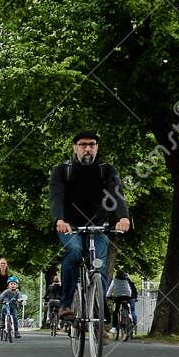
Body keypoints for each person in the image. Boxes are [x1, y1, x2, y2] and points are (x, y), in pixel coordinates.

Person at [50, 130, 131, 319]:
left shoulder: (106, 170)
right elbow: (56, 196)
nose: (88, 149)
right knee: (75, 251)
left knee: (99, 266)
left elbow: (116, 193)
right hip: (69, 226)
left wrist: (123, 217)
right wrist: (59, 219)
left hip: (98, 225)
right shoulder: (62, 170)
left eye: (92, 145)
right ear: (75, 148)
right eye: (83, 145)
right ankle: (66, 304)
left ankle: (101, 312)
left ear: (97, 147)